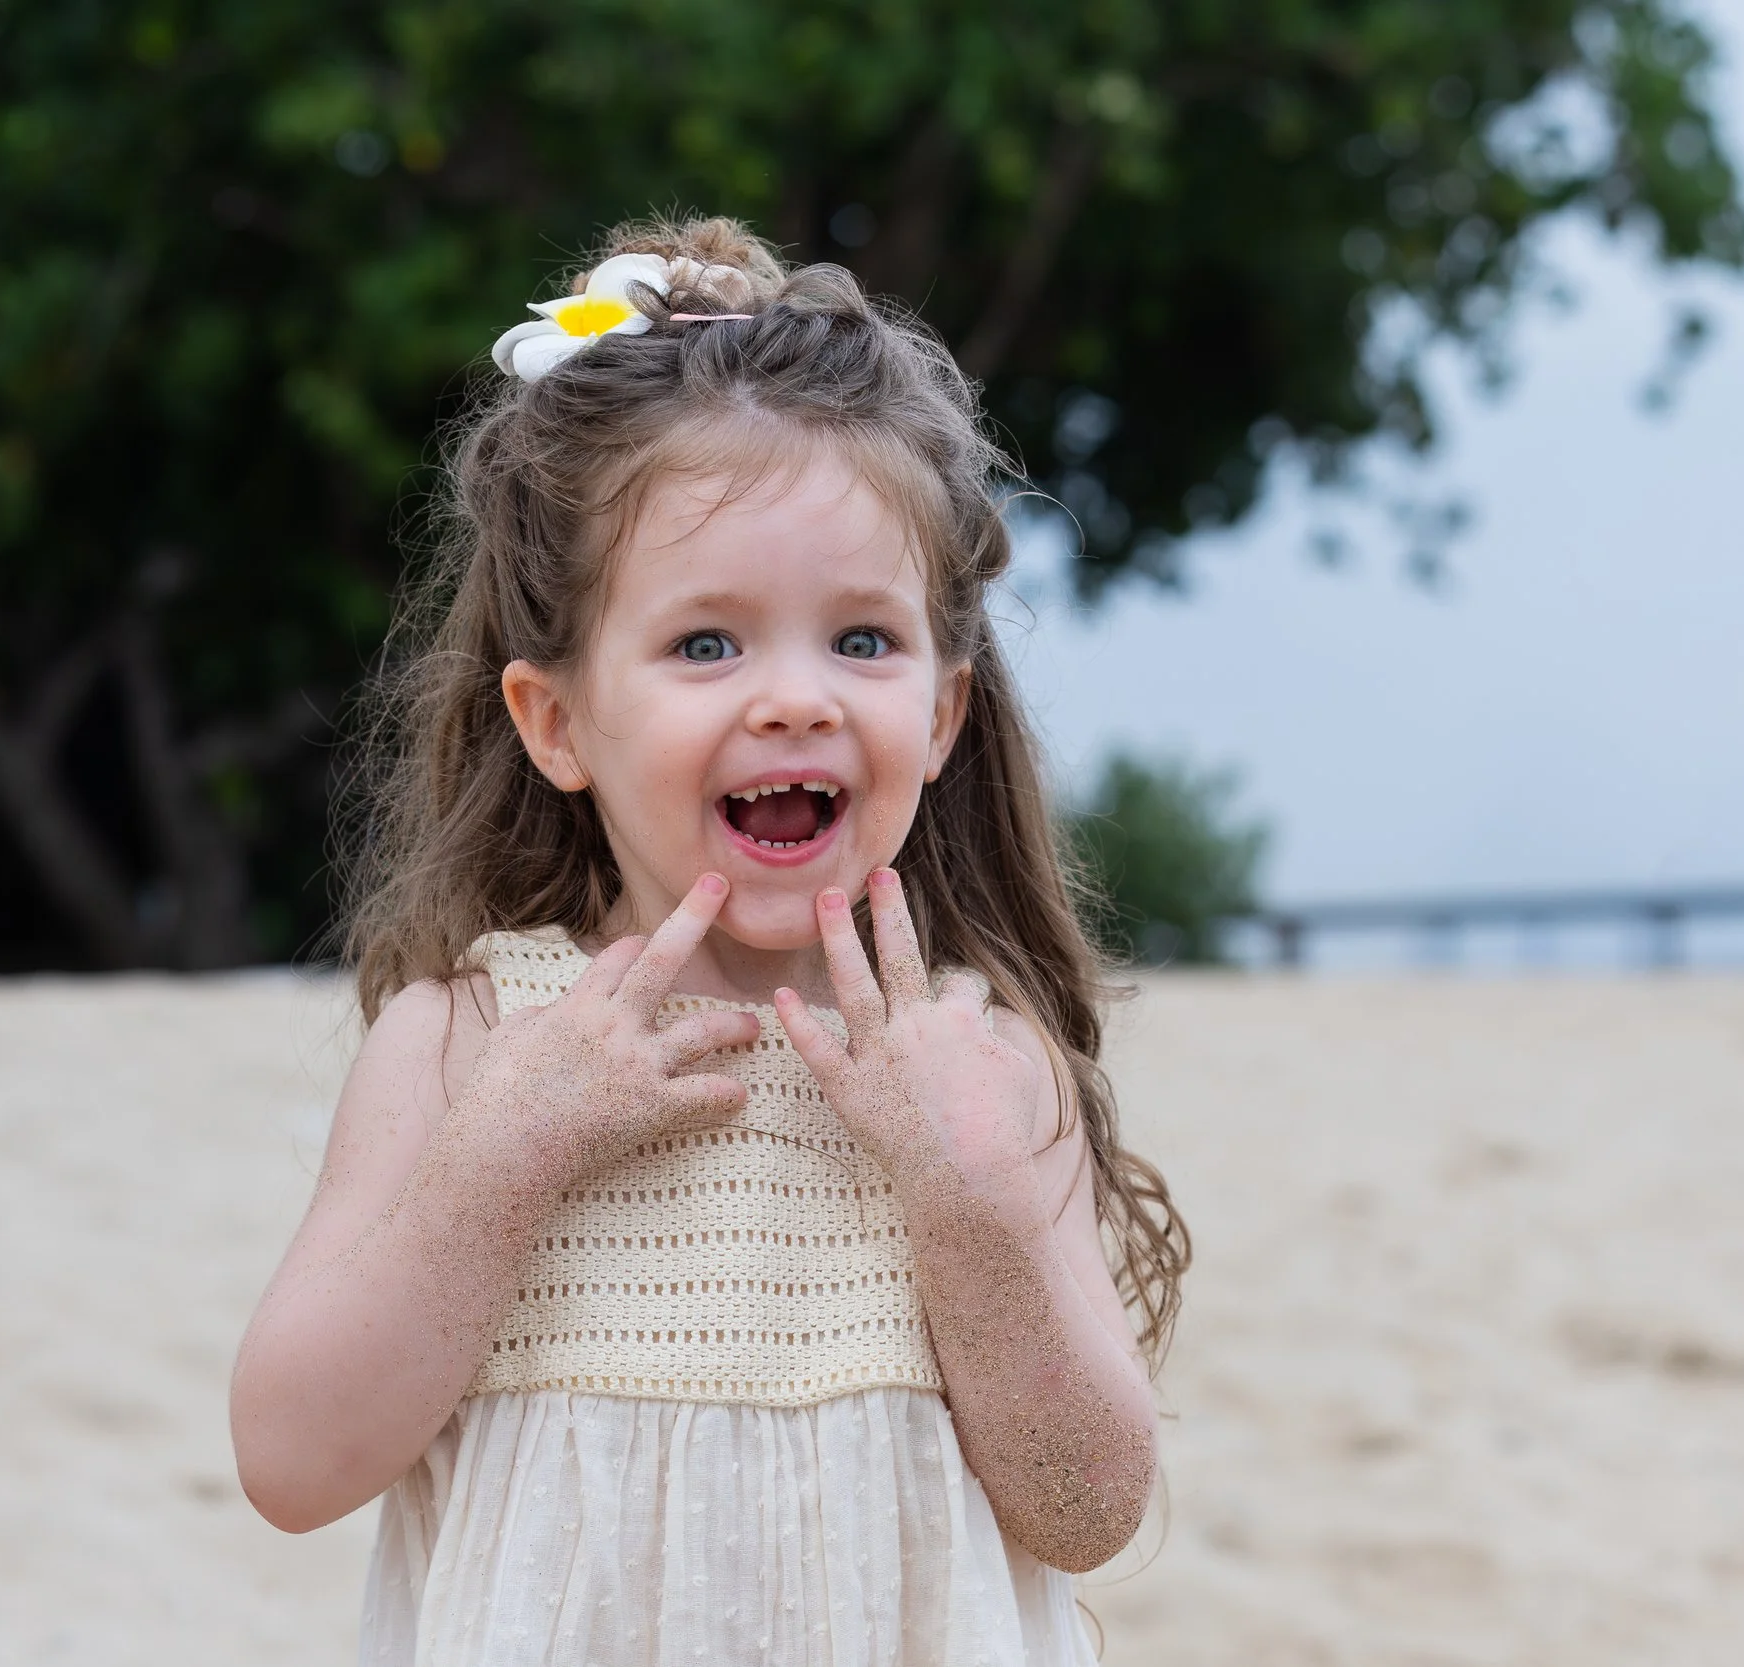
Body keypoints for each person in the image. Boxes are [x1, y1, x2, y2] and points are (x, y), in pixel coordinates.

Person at [229, 215, 1188, 1667]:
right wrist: (500, 1161)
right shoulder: (469, 1043)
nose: (796, 697)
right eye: (706, 644)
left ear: (940, 714)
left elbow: (1090, 1507)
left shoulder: (981, 1068)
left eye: (861, 641)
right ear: (557, 720)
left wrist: (967, 1193)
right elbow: (292, 1464)